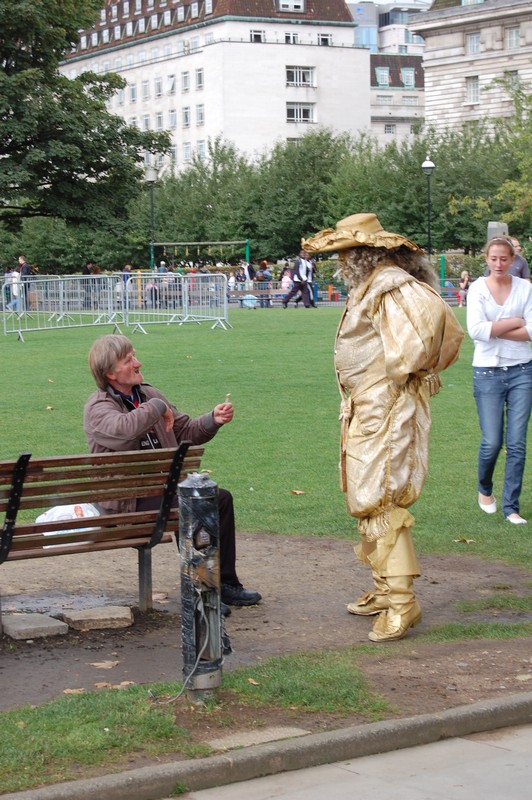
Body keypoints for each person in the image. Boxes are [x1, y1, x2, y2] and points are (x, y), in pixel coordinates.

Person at [302, 213, 464, 642]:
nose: (340, 262)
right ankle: (382, 589)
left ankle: (402, 602)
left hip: (386, 407)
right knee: (365, 493)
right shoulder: (373, 285)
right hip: (368, 406)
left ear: (364, 253)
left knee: (382, 494)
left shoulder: (390, 285)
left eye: (344, 253)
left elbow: (421, 337)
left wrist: (400, 377)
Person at [84, 334, 262, 609]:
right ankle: (201, 590)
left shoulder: (149, 394)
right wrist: (157, 406)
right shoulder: (98, 407)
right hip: (126, 503)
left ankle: (224, 584)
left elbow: (184, 430)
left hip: (163, 493)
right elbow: (125, 431)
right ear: (110, 372)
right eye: (128, 359)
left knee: (219, 498)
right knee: (192, 503)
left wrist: (211, 420)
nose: (138, 362)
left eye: (135, 355)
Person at [466, 236, 532, 525]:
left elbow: (531, 332)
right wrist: (515, 322)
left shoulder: (525, 288)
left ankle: (511, 507)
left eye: (504, 258)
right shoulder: (478, 289)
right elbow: (476, 330)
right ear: (486, 259)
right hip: (487, 373)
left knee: (517, 444)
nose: (499, 264)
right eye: (493, 258)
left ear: (513, 259)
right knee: (492, 441)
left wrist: (495, 329)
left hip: (522, 370)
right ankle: (485, 487)